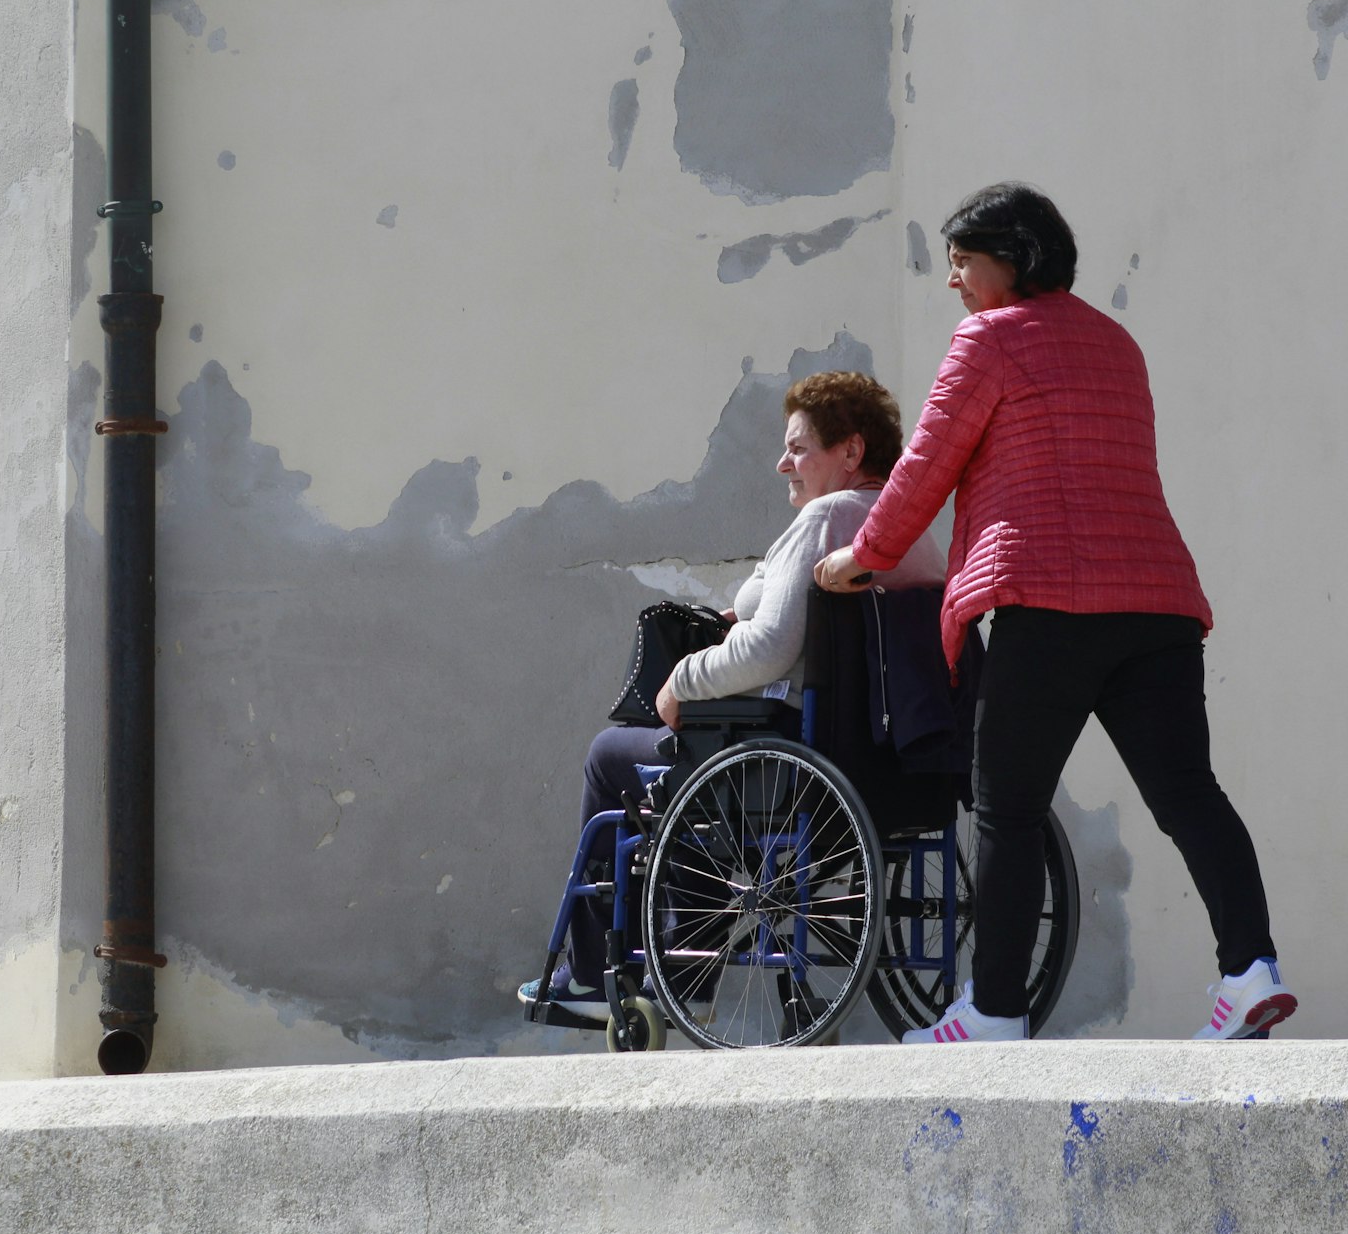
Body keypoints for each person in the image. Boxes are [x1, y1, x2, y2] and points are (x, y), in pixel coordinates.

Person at [816, 182, 1296, 1043]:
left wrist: (859, 557)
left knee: (1006, 806)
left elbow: (925, 466)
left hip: (1047, 601)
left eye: (964, 260)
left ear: (1016, 257)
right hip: (1157, 606)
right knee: (1189, 791)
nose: (953, 280)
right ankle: (1249, 968)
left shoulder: (990, 340)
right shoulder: (1118, 343)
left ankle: (995, 1010)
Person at [521, 371, 944, 1019]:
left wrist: (683, 681)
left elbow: (773, 647)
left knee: (615, 755)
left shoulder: (827, 518)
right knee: (698, 762)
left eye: (799, 447)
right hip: (883, 758)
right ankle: (680, 971)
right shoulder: (909, 532)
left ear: (851, 451)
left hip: (789, 754)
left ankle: (596, 976)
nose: (783, 463)